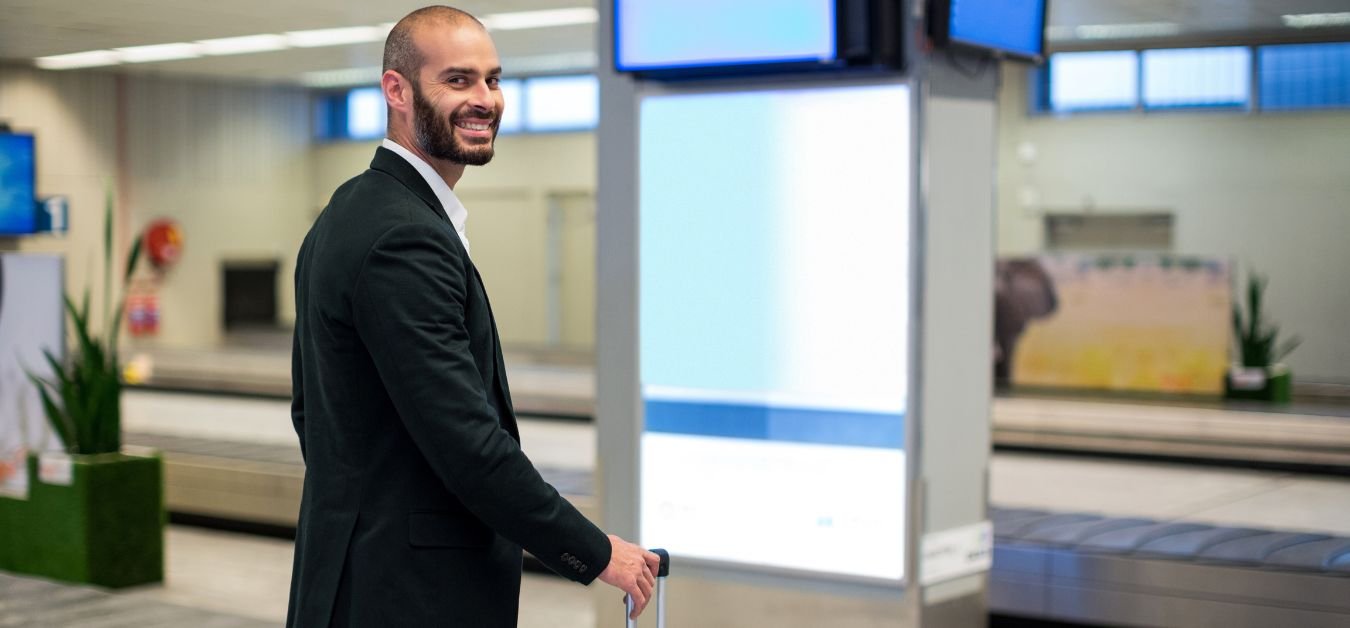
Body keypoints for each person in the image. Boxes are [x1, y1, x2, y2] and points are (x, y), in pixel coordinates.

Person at [286, 6, 659, 626]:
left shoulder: (348, 211)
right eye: (457, 80)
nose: (484, 99)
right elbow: (468, 444)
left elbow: (312, 413)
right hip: (407, 597)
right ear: (396, 90)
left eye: (493, 79)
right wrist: (597, 553)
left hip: (357, 577)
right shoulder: (404, 237)